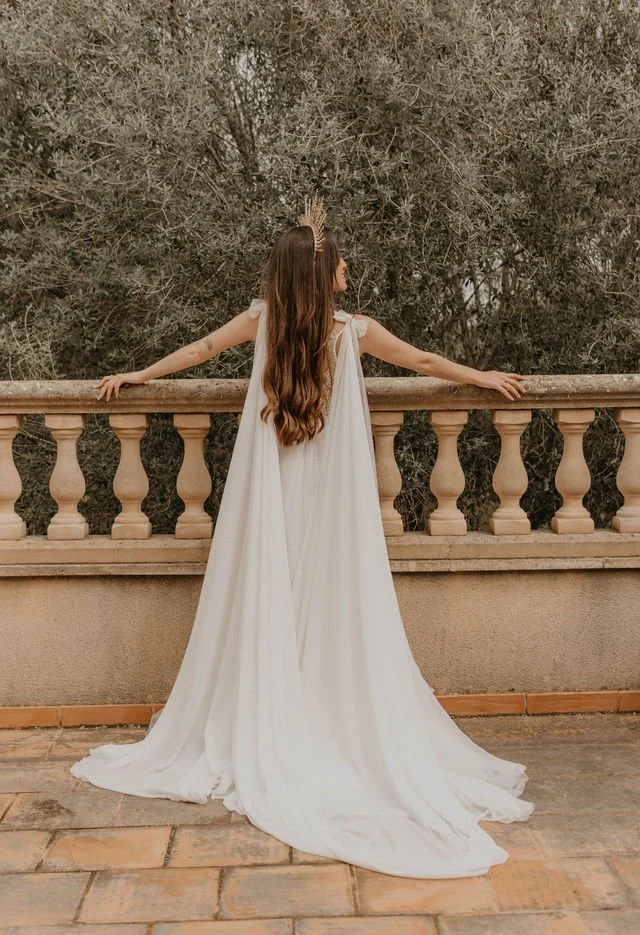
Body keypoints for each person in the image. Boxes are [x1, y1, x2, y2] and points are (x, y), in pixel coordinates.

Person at [70, 196, 533, 878]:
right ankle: (315, 707)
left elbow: (200, 349)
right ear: (321, 275)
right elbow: (427, 360)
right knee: (323, 586)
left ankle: (277, 706)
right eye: (340, 259)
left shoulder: (264, 323)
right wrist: (480, 376)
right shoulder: (354, 331)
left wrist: (143, 372)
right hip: (328, 495)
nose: (348, 265)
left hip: (274, 493)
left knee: (273, 586)